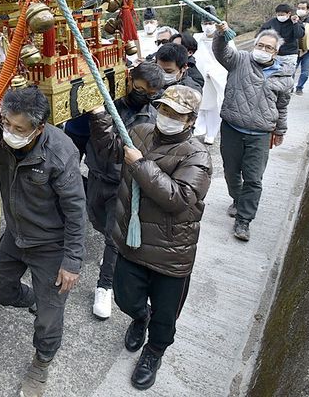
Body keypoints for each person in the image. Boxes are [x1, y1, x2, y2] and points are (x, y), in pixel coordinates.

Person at [0, 87, 86, 397]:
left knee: (49, 317)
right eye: (6, 123)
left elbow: (76, 211)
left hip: (50, 245)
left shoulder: (60, 153)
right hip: (16, 235)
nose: (10, 133)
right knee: (0, 292)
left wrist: (72, 262)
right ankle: (33, 299)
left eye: (19, 129)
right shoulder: (1, 134)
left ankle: (41, 363)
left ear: (39, 127)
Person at [90, 85, 211, 391]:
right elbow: (110, 148)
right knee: (125, 297)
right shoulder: (141, 131)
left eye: (176, 114)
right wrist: (99, 116)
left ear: (190, 120)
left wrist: (140, 165)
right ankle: (138, 317)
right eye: (164, 109)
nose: (167, 117)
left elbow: (178, 198)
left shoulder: (197, 156)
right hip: (132, 242)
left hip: (171, 252)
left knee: (165, 319)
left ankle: (153, 353)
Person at [85, 62, 164, 320]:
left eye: (150, 93)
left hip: (123, 182)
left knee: (112, 234)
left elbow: (118, 149)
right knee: (96, 220)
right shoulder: (109, 100)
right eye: (139, 89)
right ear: (129, 80)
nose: (143, 96)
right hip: (97, 175)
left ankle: (104, 286)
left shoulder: (150, 119)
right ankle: (112, 258)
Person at [213, 24, 293, 242]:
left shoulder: (284, 74)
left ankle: (244, 220)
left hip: (261, 133)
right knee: (231, 171)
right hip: (232, 128)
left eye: (269, 47)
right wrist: (222, 34)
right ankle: (237, 199)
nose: (263, 49)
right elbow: (221, 52)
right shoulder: (239, 60)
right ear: (254, 44)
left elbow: (283, 105)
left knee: (254, 178)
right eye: (260, 45)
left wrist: (280, 130)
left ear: (276, 52)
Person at [194, 17, 230, 145]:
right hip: (200, 76)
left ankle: (211, 133)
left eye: (210, 23)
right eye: (205, 23)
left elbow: (229, 58)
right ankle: (198, 129)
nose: (208, 26)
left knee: (213, 107)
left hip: (216, 77)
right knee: (200, 104)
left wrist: (214, 71)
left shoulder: (225, 39)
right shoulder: (197, 38)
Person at [260, 3, 304, 68]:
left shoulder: (295, 22)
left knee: (288, 75)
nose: (280, 16)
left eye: (282, 15)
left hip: (290, 55)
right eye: (278, 15)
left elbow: (299, 35)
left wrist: (295, 23)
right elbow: (261, 33)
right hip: (275, 54)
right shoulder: (272, 22)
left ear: (289, 13)